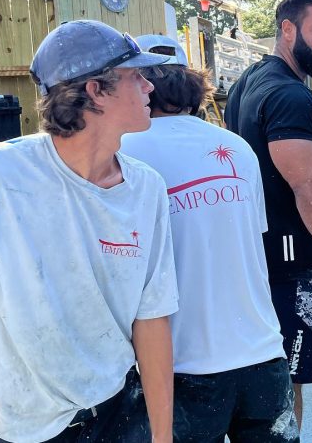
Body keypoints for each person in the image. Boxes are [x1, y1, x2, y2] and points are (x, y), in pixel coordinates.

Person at [0, 19, 179, 443]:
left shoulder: (147, 189)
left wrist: (162, 437)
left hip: (117, 414)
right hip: (20, 423)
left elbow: (152, 318)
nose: (150, 88)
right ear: (95, 90)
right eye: (136, 76)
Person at [119, 35, 299, 442]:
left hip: (181, 366)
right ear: (192, 84)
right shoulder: (237, 148)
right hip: (263, 358)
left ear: (143, 84)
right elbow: (251, 241)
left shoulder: (125, 152)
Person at [224, 0, 312, 429]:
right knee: (286, 391)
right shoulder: (289, 96)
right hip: (291, 267)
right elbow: (308, 185)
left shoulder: (247, 83)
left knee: (264, 382)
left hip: (255, 259)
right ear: (287, 29)